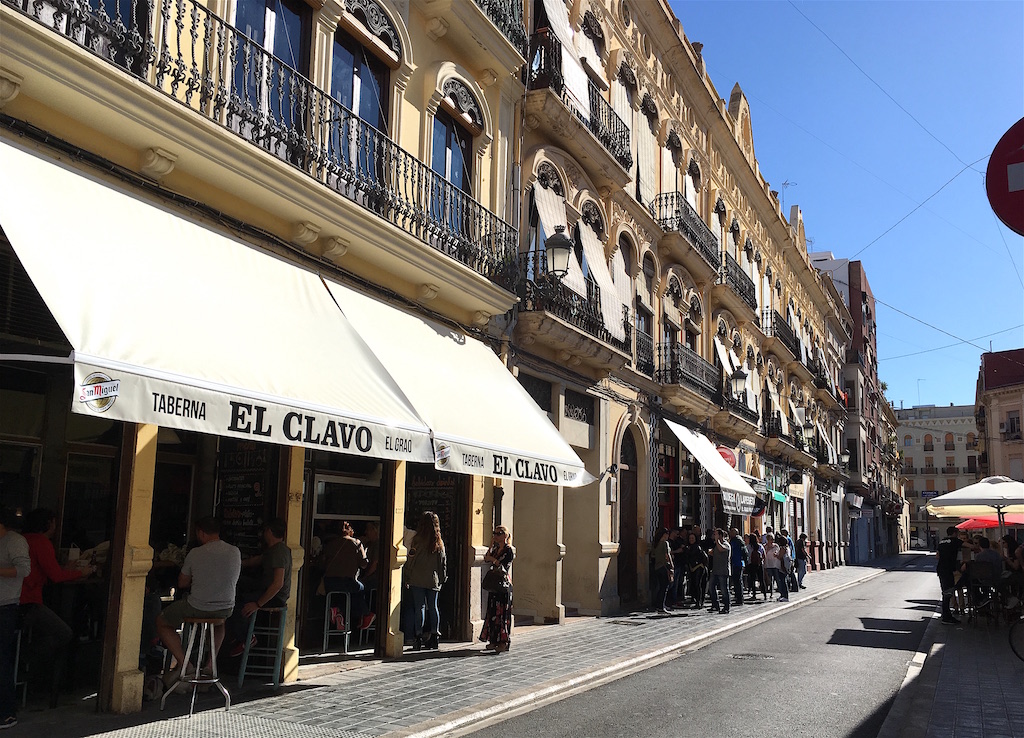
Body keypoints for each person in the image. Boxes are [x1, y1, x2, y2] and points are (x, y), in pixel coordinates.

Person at [19, 508, 92, 707]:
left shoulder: (22, 540)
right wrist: (81, 572)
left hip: (16, 600)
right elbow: (57, 576)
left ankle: (22, 660)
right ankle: (25, 661)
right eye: (54, 522)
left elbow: (50, 571)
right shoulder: (41, 542)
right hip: (28, 602)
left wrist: (66, 569)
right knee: (64, 632)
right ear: (48, 523)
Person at [156, 516, 240, 683]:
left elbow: (182, 583)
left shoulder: (195, 553)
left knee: (162, 621)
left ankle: (185, 664)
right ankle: (210, 664)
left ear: (201, 533)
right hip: (226, 608)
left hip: (198, 606)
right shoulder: (235, 551)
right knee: (219, 623)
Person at [228, 518, 291, 656]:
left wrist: (258, 604)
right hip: (264, 588)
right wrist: (236, 563)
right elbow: (256, 561)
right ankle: (236, 631)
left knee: (237, 603)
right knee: (239, 583)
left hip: (275, 596)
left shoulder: (279, 552)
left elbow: (278, 584)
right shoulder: (273, 550)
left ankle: (246, 637)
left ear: (269, 531)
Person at [0, 508, 30, 730]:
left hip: (6, 606)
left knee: (2, 660)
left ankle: (6, 713)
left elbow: (24, 569)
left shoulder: (15, 541)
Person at [319, 521, 370, 631]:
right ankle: (364, 615)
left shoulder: (330, 544)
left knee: (340, 593)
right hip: (348, 582)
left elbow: (322, 563)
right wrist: (364, 553)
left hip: (329, 583)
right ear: (350, 531)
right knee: (361, 588)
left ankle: (337, 610)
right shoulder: (356, 543)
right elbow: (364, 565)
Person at [406, 512, 446, 651]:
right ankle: (435, 636)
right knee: (433, 607)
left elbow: (411, 559)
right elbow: (442, 562)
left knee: (420, 607)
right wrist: (442, 578)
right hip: (433, 579)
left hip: (417, 578)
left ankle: (418, 637)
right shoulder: (438, 542)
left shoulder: (417, 540)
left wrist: (407, 576)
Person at [480, 526, 514, 653]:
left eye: (499, 534)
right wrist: (490, 545)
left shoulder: (508, 550)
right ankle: (493, 640)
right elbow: (486, 558)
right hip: (494, 585)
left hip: (503, 585)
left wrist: (493, 560)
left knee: (502, 614)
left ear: (505, 535)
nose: (496, 536)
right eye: (494, 533)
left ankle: (503, 642)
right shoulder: (495, 549)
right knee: (493, 613)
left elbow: (504, 567)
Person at [935, 526, 963, 624]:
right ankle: (946, 617)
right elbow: (970, 547)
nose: (958, 535)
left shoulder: (942, 541)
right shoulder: (955, 541)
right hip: (948, 569)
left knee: (945, 592)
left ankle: (946, 615)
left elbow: (937, 556)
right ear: (954, 533)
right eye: (958, 533)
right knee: (948, 593)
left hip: (941, 569)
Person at [650, 528, 673, 614]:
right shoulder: (665, 543)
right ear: (664, 535)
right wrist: (672, 565)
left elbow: (653, 555)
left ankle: (660, 605)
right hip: (664, 566)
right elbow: (667, 555)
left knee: (660, 587)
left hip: (657, 567)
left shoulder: (655, 544)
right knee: (664, 587)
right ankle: (661, 606)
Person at [708, 528, 731, 614]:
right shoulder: (716, 544)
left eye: (716, 534)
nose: (714, 536)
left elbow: (721, 549)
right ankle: (715, 605)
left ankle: (726, 607)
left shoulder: (726, 544)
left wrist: (717, 541)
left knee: (724, 589)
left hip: (723, 571)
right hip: (715, 570)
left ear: (720, 535)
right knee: (711, 587)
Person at [685, 532, 708, 609]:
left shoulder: (698, 547)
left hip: (699, 567)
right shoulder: (688, 547)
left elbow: (705, 557)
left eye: (692, 538)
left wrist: (702, 565)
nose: (691, 539)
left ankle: (699, 602)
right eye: (690, 538)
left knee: (698, 585)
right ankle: (697, 600)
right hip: (692, 568)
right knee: (695, 585)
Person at [764, 533, 789, 602]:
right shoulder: (765, 546)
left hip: (778, 566)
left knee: (781, 581)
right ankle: (782, 595)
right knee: (778, 580)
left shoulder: (781, 548)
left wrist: (776, 555)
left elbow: (780, 557)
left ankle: (784, 595)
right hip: (771, 565)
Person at [728, 528, 746, 607]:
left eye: (732, 532)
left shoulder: (735, 541)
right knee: (738, 581)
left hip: (736, 563)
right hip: (739, 563)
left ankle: (739, 599)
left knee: (737, 581)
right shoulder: (740, 541)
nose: (730, 533)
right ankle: (739, 598)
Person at [745, 533, 766, 601]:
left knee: (752, 580)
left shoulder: (748, 547)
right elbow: (764, 555)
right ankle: (765, 594)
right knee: (761, 580)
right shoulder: (760, 546)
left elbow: (747, 555)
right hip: (759, 564)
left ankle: (754, 594)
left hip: (751, 565)